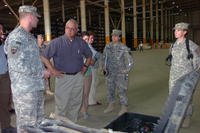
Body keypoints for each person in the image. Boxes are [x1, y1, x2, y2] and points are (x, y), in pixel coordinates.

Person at [4, 5, 49, 132]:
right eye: (36, 17)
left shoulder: (30, 37)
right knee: (26, 127)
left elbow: (34, 60)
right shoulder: (16, 37)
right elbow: (16, 64)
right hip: (25, 93)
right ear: (30, 16)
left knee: (38, 124)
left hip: (35, 89)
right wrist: (41, 72)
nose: (37, 20)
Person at [42, 19, 92, 122]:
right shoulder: (57, 42)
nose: (70, 31)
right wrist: (53, 70)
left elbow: (89, 55)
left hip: (78, 77)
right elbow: (44, 56)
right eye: (68, 28)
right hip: (63, 78)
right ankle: (60, 127)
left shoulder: (81, 42)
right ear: (65, 29)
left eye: (73, 29)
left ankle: (71, 124)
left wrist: (85, 67)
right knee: (62, 105)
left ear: (77, 30)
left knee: (75, 103)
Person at [169, 22, 200, 127]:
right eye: (175, 30)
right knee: (173, 96)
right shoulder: (173, 45)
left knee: (186, 97)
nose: (175, 32)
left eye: (178, 30)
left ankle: (187, 116)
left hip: (186, 77)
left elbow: (197, 62)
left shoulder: (191, 45)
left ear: (185, 32)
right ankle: (177, 115)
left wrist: (192, 75)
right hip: (173, 77)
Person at [102, 29, 134, 116]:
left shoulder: (123, 47)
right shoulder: (108, 46)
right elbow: (104, 58)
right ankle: (111, 104)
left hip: (120, 73)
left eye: (116, 36)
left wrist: (126, 70)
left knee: (121, 90)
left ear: (119, 37)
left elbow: (130, 60)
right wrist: (104, 67)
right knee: (110, 89)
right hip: (110, 72)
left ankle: (124, 107)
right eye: (112, 36)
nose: (113, 37)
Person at [0, 24, 13, 132]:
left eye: (1, 29)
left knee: (4, 102)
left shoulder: (3, 42)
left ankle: (6, 126)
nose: (1, 31)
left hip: (4, 75)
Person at [79, 31, 93, 119]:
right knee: (77, 94)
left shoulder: (90, 49)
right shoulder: (76, 47)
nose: (86, 41)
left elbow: (94, 61)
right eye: (84, 39)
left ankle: (84, 111)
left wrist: (88, 59)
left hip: (87, 74)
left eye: (87, 39)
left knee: (85, 94)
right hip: (77, 74)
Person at [88, 31, 102, 106]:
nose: (92, 39)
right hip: (91, 69)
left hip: (92, 68)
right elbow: (97, 55)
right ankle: (91, 101)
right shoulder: (88, 46)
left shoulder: (90, 46)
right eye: (91, 38)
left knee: (94, 84)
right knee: (93, 84)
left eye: (93, 38)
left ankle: (91, 100)